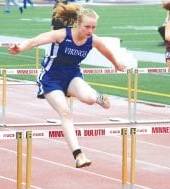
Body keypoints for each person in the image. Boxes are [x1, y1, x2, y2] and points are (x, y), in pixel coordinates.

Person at [9, 4, 125, 168]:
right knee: (65, 112)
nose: (90, 31)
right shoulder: (62, 35)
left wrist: (116, 64)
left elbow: (105, 50)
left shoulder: (93, 40)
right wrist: (20, 48)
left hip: (72, 76)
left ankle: (97, 97)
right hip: (51, 78)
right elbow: (36, 40)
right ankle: (79, 155)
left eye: (93, 27)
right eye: (87, 27)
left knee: (89, 99)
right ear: (77, 24)